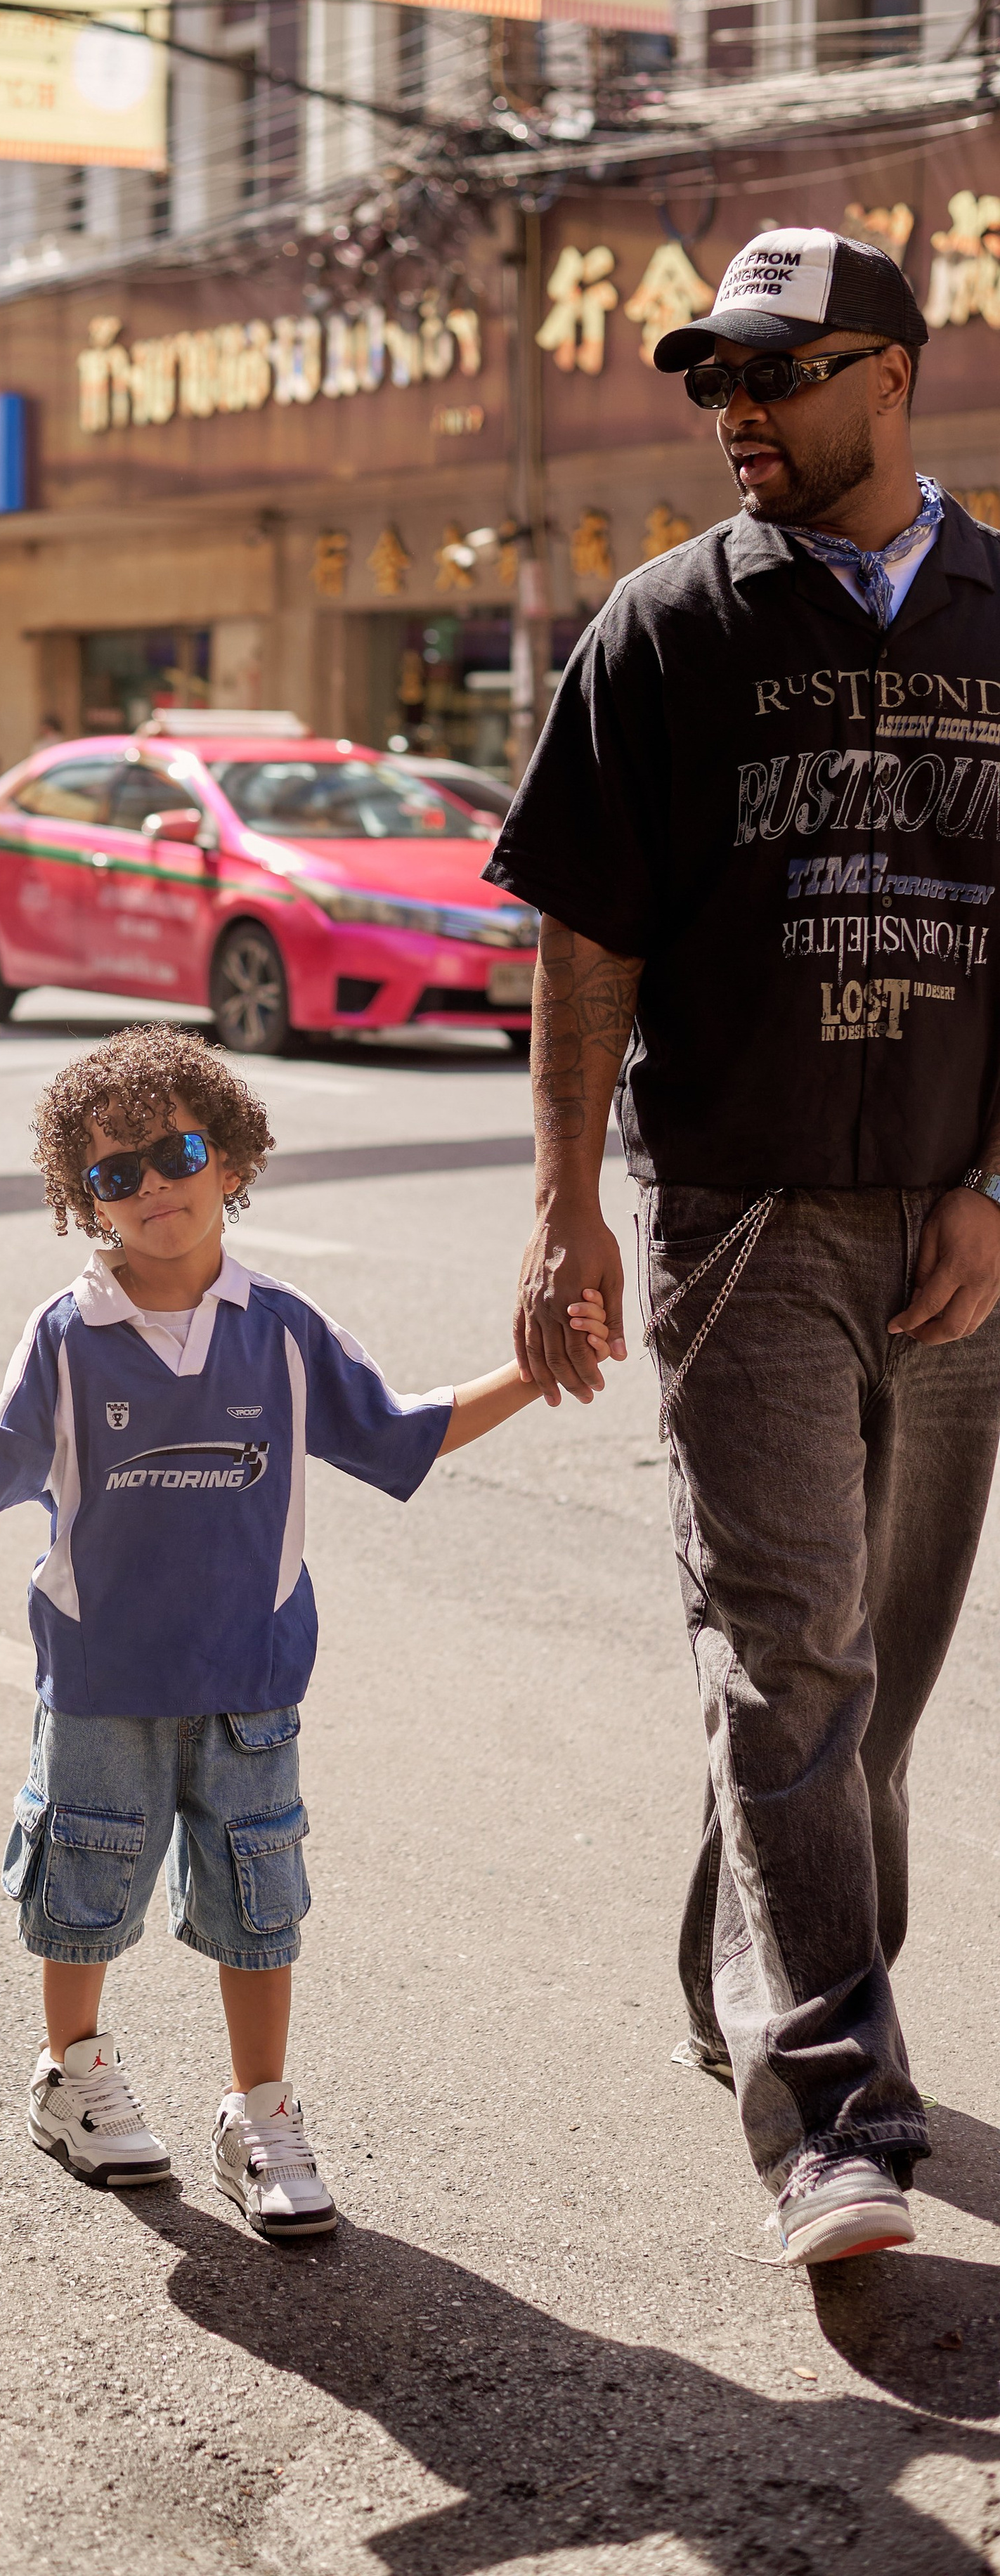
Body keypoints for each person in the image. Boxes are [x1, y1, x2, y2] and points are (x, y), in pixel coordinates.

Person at [485, 227, 1000, 2267]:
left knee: (868, 1689)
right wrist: (562, 1215)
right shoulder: (664, 626)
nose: (737, 416)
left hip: (958, 1234)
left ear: (892, 375)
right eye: (715, 381)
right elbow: (584, 940)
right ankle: (835, 2112)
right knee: (790, 1656)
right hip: (743, 1218)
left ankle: (744, 1968)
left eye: (776, 376)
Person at [0, 1025, 609, 2239]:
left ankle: (261, 2111)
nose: (154, 1185)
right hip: (103, 1683)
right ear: (83, 1200)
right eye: (116, 1173)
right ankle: (76, 2078)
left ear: (231, 1158)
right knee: (86, 1882)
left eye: (177, 1151)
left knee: (262, 1900)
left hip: (250, 1678)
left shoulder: (283, 1327)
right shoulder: (68, 1333)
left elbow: (404, 1431)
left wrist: (538, 1367)